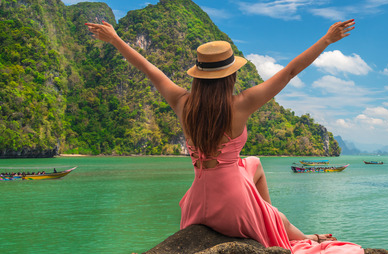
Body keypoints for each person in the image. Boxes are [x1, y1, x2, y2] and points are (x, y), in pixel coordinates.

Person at [86, 19, 363, 253]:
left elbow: (149, 68)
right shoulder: (240, 104)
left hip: (197, 204)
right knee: (275, 214)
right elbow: (289, 71)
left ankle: (269, 215)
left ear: (199, 75)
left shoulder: (182, 102)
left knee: (253, 162)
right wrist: (326, 39)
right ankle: (298, 233)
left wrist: (115, 39)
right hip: (233, 204)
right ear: (230, 75)